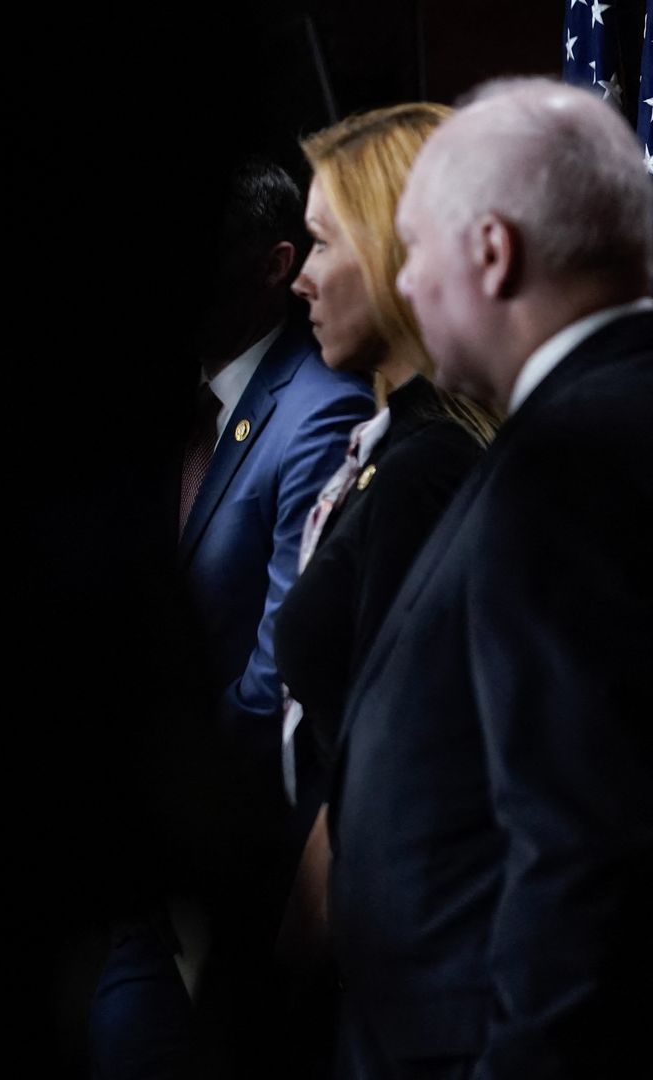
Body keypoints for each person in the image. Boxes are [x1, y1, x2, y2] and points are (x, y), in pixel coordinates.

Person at [329, 78, 653, 1078]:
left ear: (490, 251)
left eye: (414, 249)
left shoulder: (573, 460)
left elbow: (587, 850)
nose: (408, 285)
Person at [89, 159, 375, 1079]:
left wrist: (162, 792)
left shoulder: (317, 411)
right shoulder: (153, 395)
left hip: (243, 853)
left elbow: (275, 670)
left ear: (270, 264)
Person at [267, 101, 501, 1076]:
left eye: (323, 243)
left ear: (398, 247)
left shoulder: (428, 470)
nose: (304, 281)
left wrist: (279, 988)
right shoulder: (393, 453)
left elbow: (388, 776)